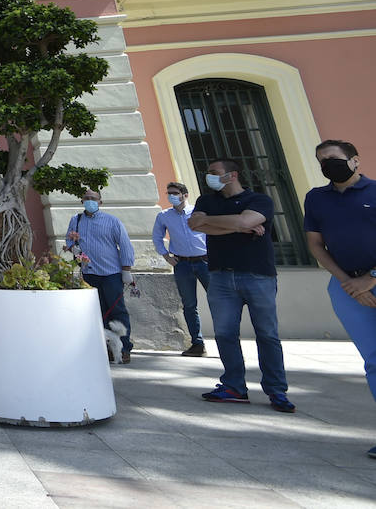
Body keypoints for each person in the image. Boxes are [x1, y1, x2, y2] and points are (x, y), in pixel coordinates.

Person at [189, 158, 294, 412]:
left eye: (214, 172)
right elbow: (195, 224)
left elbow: (241, 222)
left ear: (232, 175)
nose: (209, 176)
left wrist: (217, 223)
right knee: (225, 334)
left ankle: (276, 390)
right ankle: (234, 386)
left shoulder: (259, 200)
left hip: (258, 276)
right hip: (220, 277)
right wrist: (238, 225)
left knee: (267, 334)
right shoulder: (206, 201)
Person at [303, 138, 374, 456]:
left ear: (355, 161)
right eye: (321, 161)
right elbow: (316, 245)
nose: (326, 164)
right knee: (374, 361)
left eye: (332, 158)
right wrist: (349, 283)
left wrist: (370, 280)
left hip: (370, 279)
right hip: (347, 288)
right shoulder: (316, 198)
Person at [65, 188, 135, 364]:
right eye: (86, 198)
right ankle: (108, 348)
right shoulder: (76, 220)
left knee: (117, 311)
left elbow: (125, 245)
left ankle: (125, 348)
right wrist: (73, 247)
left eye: (93, 199)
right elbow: (69, 239)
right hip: (89, 273)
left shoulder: (112, 221)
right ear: (82, 201)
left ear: (100, 202)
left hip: (111, 273)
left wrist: (126, 269)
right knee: (99, 313)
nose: (90, 201)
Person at [152, 181, 210, 356]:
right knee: (189, 305)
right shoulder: (164, 216)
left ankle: (228, 341)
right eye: (169, 193)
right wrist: (166, 256)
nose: (171, 196)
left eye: (175, 193)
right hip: (182, 264)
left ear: (185, 195)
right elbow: (157, 237)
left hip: (205, 262)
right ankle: (197, 343)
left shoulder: (198, 213)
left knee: (219, 302)